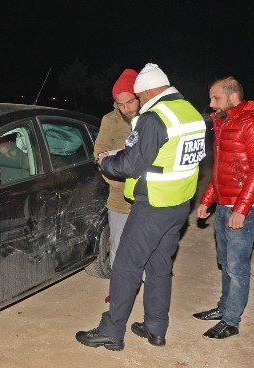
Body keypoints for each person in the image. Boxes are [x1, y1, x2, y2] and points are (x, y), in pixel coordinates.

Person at [76, 63, 206, 350]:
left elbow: (132, 163)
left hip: (154, 205)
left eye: (139, 96)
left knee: (125, 266)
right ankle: (155, 327)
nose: (138, 103)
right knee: (159, 266)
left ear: (147, 91)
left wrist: (106, 162)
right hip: (179, 204)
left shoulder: (154, 118)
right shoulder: (190, 112)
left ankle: (112, 331)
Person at [193, 77, 254, 339]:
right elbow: (221, 170)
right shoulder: (224, 121)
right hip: (225, 202)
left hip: (245, 207)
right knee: (225, 261)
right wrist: (207, 200)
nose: (211, 103)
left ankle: (231, 321)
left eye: (216, 98)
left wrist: (241, 209)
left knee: (237, 267)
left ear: (233, 96)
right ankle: (224, 307)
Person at [94, 69, 140, 303]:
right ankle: (120, 290)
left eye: (130, 101)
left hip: (146, 197)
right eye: (120, 104)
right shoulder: (109, 121)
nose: (126, 108)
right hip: (119, 198)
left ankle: (146, 286)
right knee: (118, 247)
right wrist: (113, 179)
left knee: (145, 246)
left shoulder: (151, 118)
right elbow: (99, 151)